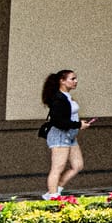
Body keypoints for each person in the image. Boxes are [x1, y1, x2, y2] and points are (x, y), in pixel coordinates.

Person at [40, 68, 94, 199]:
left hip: (70, 135)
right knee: (57, 167)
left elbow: (69, 117)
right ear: (62, 81)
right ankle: (53, 196)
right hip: (60, 135)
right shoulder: (58, 98)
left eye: (76, 78)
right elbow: (59, 121)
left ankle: (55, 190)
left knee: (78, 165)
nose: (76, 81)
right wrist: (78, 125)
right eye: (72, 79)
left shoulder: (67, 97)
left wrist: (79, 123)